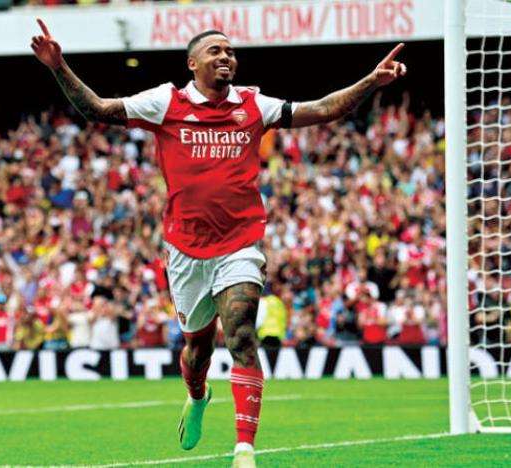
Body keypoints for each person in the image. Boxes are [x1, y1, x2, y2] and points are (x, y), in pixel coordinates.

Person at [31, 19, 406, 467]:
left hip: (240, 242)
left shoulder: (253, 104)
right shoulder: (166, 102)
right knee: (197, 351)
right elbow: (97, 109)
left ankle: (244, 450)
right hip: (186, 249)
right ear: (193, 64)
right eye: (215, 51)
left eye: (230, 51)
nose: (226, 56)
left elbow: (323, 109)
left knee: (242, 331)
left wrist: (371, 80)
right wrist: (58, 66)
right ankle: (197, 395)